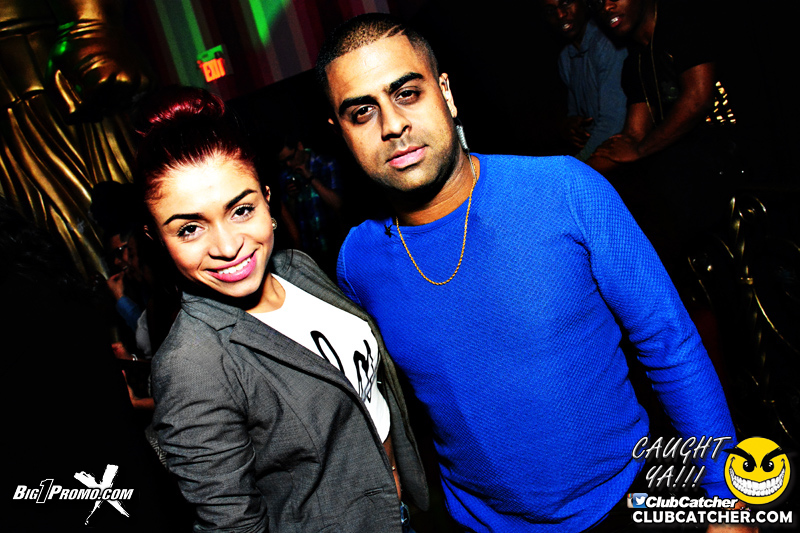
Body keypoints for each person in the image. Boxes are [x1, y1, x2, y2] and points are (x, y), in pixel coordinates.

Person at [316, 13, 749, 532]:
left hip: (627, 502)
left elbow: (670, 342)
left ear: (445, 93)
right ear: (342, 134)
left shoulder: (565, 189)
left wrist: (726, 499)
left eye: (407, 93)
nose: (392, 125)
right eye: (362, 112)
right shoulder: (356, 261)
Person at [135, 86, 427, 533]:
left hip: (399, 513)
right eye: (190, 228)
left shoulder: (296, 268)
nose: (228, 246)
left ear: (267, 198)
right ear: (157, 238)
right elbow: (232, 524)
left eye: (241, 210)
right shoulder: (192, 363)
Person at [587, 0, 741, 277]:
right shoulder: (636, 62)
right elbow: (632, 136)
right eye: (597, 2)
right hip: (684, 169)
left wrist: (640, 150)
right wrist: (573, 175)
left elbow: (698, 99)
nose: (606, 6)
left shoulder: (684, 22)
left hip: (734, 153)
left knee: (661, 182)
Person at [540, 0, 628, 161]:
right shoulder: (566, 58)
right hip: (594, 151)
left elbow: (613, 124)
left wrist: (578, 164)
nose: (560, 14)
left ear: (584, 3)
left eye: (566, 3)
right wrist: (570, 127)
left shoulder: (606, 45)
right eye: (550, 11)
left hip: (616, 152)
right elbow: (576, 116)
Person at [275, 134, 346, 276]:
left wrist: (310, 177)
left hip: (336, 246)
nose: (288, 164)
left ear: (300, 146)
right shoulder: (285, 176)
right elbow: (290, 222)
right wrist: (292, 198)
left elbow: (338, 205)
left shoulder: (326, 164)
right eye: (284, 162)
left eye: (290, 158)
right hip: (309, 254)